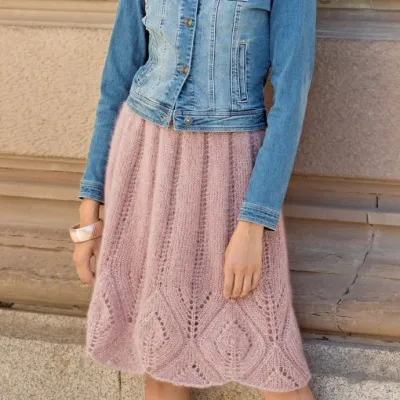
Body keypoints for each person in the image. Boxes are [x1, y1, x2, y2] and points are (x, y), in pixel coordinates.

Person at [71, 0, 317, 398]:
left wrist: (254, 224)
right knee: (160, 362)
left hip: (231, 178)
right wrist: (90, 211)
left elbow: (290, 104)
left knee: (275, 368)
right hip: (146, 165)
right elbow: (115, 85)